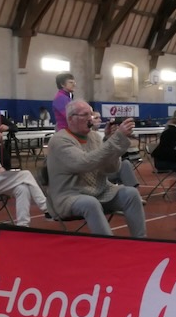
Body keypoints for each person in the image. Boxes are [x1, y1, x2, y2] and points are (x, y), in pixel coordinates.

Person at [46, 100, 146, 238]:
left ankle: (141, 240)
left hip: (101, 190)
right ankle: (108, 245)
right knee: (90, 203)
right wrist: (116, 139)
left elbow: (110, 168)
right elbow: (84, 163)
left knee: (131, 194)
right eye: (85, 115)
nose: (90, 119)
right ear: (71, 118)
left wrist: (111, 139)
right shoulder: (59, 140)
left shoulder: (94, 137)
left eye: (91, 114)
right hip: (69, 195)